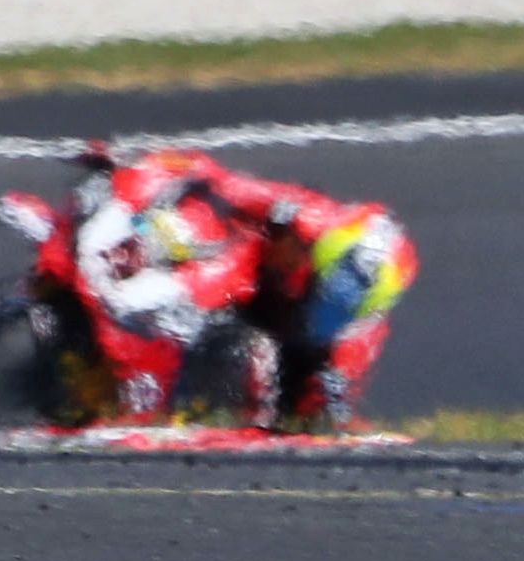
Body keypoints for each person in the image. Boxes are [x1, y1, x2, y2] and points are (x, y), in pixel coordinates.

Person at [114, 151, 416, 430]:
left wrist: (320, 415)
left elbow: (333, 412)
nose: (325, 315)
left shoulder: (359, 336)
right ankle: (139, 378)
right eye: (324, 296)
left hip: (283, 358)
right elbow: (222, 183)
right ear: (313, 253)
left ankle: (211, 414)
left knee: (285, 382)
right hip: (239, 293)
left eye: (340, 312)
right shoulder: (300, 214)